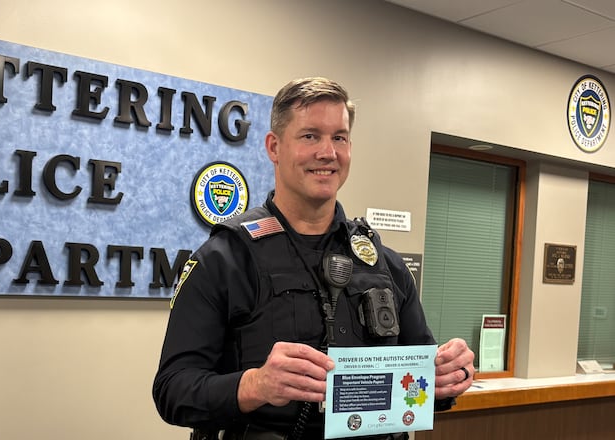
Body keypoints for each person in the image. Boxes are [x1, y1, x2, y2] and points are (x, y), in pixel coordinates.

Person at [153, 77, 475, 440]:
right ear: (274, 147)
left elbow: (420, 383)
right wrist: (255, 385)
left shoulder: (385, 266)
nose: (328, 152)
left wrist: (447, 375)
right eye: (310, 136)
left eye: (339, 137)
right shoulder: (224, 260)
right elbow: (172, 390)